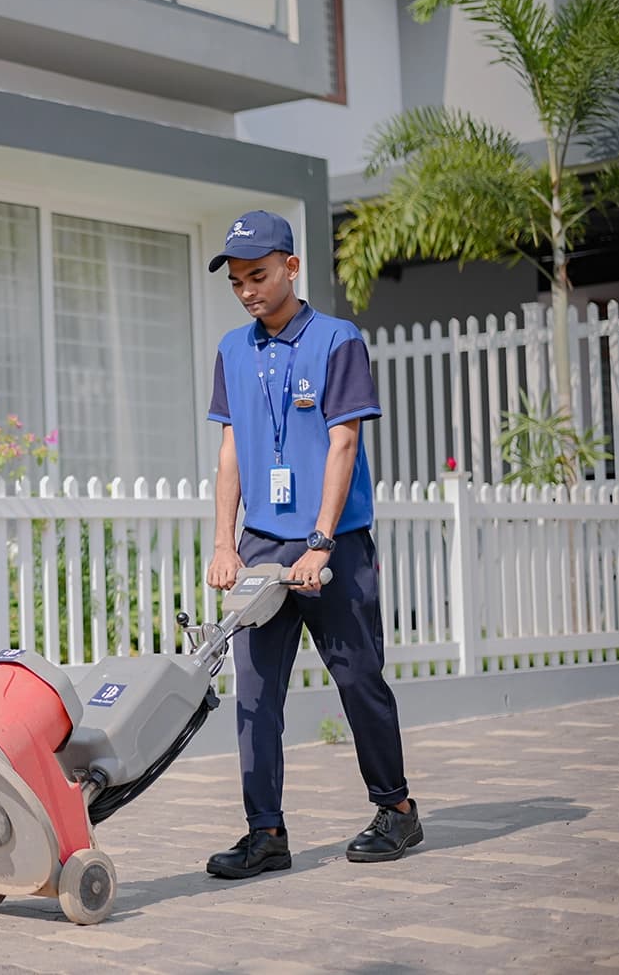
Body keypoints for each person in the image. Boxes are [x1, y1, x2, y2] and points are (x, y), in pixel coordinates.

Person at [201, 210, 421, 879]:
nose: (248, 292)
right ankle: (265, 832)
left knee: (358, 678)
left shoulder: (337, 340)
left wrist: (321, 543)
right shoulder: (232, 351)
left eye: (259, 277)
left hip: (336, 544)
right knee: (255, 694)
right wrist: (224, 543)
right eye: (237, 281)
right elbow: (231, 450)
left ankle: (397, 809)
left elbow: (344, 442)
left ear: (291, 268)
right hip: (263, 544)